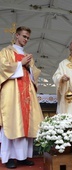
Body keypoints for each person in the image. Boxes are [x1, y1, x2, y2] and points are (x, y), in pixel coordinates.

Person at [0, 26, 44, 168]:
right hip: (12, 93)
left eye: (28, 38)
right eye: (24, 36)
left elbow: (35, 74)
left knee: (26, 125)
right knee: (12, 122)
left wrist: (29, 67)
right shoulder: (6, 52)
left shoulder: (28, 55)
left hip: (27, 95)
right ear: (17, 35)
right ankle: (10, 158)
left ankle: (23, 156)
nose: (26, 40)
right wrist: (20, 64)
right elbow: (2, 68)